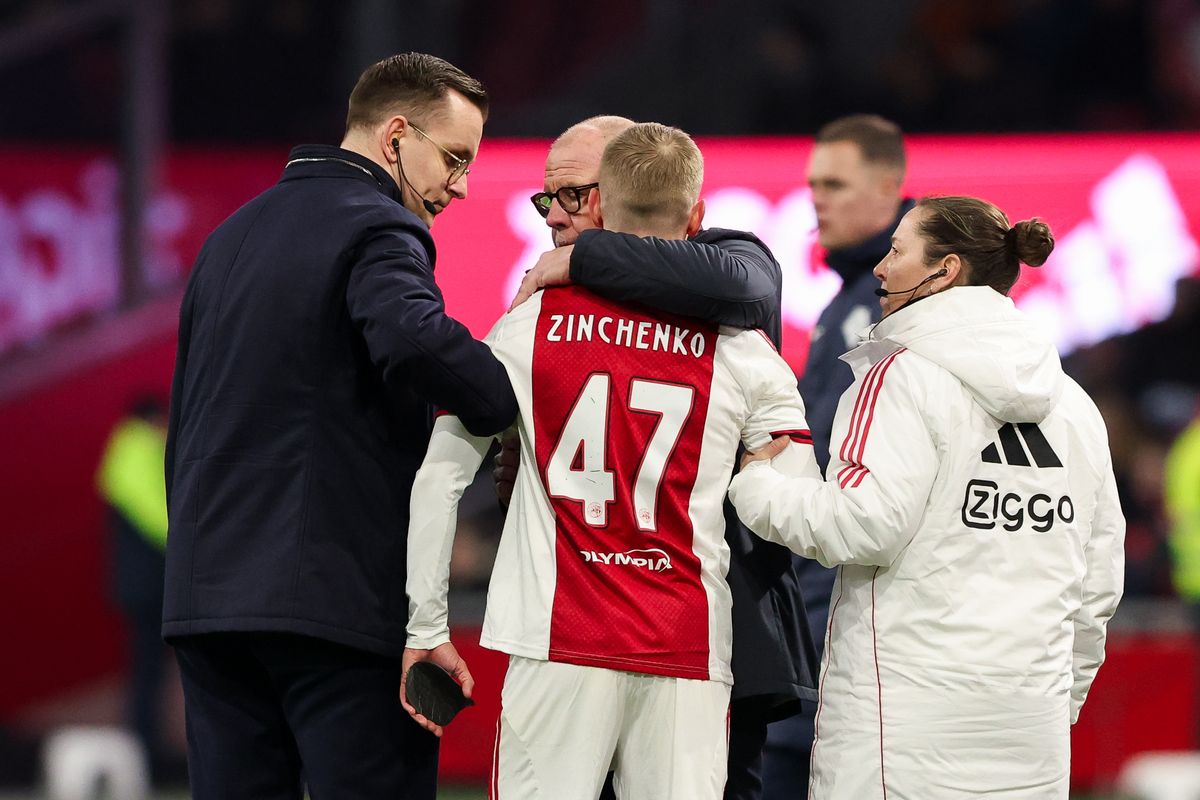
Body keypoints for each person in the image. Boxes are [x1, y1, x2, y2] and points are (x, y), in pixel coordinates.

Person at [404, 122, 821, 800]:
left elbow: (438, 479)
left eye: (570, 195)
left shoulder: (530, 320)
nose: (554, 216)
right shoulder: (742, 345)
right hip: (687, 645)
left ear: (605, 201)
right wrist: (746, 480)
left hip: (557, 640)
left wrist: (425, 624)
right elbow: (804, 513)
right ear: (695, 215)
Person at [162, 53, 517, 800]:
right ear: (396, 137)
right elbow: (412, 338)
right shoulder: (379, 224)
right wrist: (507, 398)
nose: (459, 185)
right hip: (332, 606)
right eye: (454, 158)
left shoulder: (228, 237)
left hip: (208, 605)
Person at [728, 196, 1125, 798]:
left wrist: (756, 484)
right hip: (1030, 725)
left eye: (897, 251)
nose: (881, 268)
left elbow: (862, 527)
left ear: (944, 270)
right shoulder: (1075, 405)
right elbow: (1099, 578)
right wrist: (1059, 696)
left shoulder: (900, 376)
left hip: (903, 726)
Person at [765, 113, 913, 797]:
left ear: (888, 188)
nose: (817, 201)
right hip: (820, 596)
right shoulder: (851, 299)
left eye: (834, 185)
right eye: (813, 186)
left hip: (849, 606)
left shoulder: (904, 302)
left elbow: (851, 472)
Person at [96, 396, 171, 779]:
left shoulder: (126, 451)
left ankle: (145, 755)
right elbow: (159, 518)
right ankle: (145, 758)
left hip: (142, 589)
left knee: (147, 674)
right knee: (147, 675)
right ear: (153, 419)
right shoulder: (138, 450)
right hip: (149, 591)